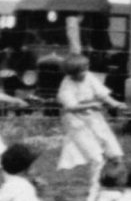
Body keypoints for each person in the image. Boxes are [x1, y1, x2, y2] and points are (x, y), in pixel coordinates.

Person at [54, 53, 125, 190]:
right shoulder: (66, 85)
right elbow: (71, 106)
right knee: (96, 158)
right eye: (81, 71)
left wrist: (115, 103)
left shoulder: (89, 76)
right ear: (72, 73)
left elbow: (102, 94)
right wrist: (90, 105)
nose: (84, 73)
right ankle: (95, 187)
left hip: (94, 118)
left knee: (114, 152)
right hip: (76, 122)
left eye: (85, 69)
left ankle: (118, 182)